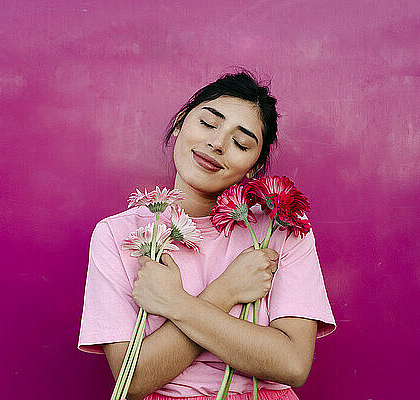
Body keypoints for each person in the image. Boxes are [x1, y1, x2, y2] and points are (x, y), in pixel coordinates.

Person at [77, 69, 336, 400]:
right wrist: (227, 290)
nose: (217, 143)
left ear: (254, 167)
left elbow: (292, 364)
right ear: (180, 122)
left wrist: (175, 302)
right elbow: (134, 380)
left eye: (241, 142)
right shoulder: (117, 234)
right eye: (208, 123)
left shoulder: (281, 227)